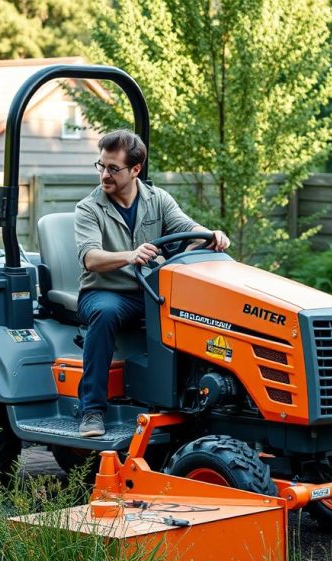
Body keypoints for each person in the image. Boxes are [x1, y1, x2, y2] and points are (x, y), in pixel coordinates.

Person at [74, 129, 230, 437]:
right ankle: (91, 410)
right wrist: (130, 255)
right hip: (105, 291)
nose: (104, 174)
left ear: (135, 170)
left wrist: (212, 235)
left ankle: (198, 402)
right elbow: (90, 258)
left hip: (150, 291)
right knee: (104, 314)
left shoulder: (158, 200)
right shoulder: (88, 208)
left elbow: (187, 227)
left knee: (199, 313)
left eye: (113, 168)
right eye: (101, 166)